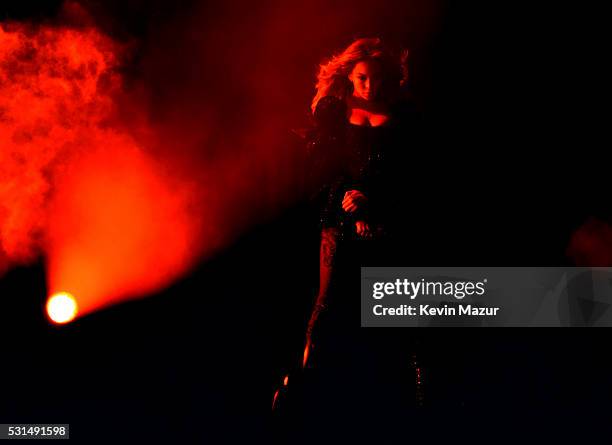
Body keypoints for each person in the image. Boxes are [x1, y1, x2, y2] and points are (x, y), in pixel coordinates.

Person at [273, 38, 423, 441]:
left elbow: (415, 176)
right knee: (328, 308)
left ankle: (404, 404)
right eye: (362, 78)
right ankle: (304, 395)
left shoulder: (405, 118)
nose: (370, 87)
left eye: (377, 79)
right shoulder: (334, 115)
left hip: (388, 225)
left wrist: (375, 202)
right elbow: (316, 173)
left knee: (393, 309)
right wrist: (346, 199)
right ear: (349, 76)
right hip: (338, 225)